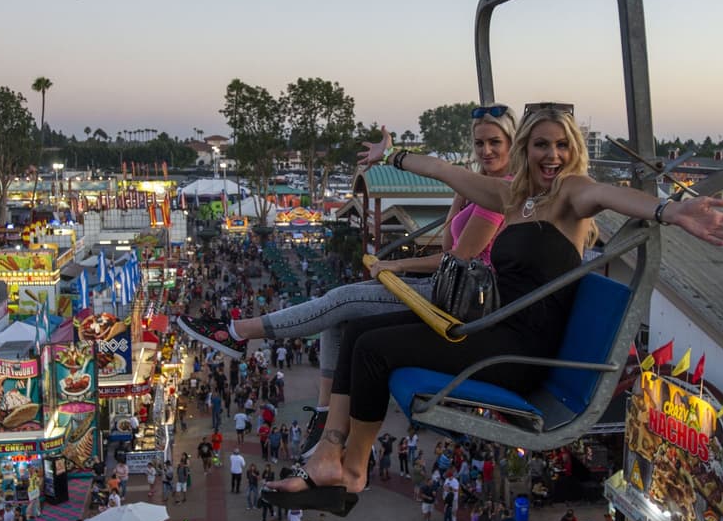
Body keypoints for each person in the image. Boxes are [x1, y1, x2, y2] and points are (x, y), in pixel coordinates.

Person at [264, 106, 723, 513]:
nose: (552, 154)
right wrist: (392, 155)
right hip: (491, 329)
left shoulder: (572, 194)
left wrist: (669, 210)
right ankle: (330, 451)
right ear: (526, 150)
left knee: (373, 349)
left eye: (561, 145)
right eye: (541, 144)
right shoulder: (511, 198)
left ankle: (352, 469)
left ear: (573, 150)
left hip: (519, 352)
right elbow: (444, 171)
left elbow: (611, 195)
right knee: (356, 331)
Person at [180, 107, 520, 410]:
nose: (486, 151)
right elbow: (448, 246)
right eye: (480, 144)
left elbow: (457, 261)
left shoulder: (499, 194)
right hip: (448, 285)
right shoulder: (477, 189)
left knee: (343, 298)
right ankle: (325, 411)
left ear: (511, 144)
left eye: (495, 143)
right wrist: (460, 194)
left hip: (464, 299)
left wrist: (398, 265)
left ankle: (238, 331)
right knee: (337, 319)